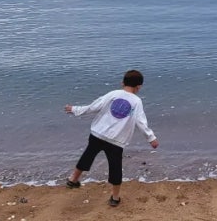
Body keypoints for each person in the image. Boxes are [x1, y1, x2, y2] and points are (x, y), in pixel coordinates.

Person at [64, 69, 158, 206]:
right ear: (139, 87)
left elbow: (94, 106)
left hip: (98, 133)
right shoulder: (136, 101)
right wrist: (151, 138)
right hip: (116, 140)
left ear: (122, 83)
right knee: (115, 167)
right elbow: (141, 122)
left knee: (87, 156)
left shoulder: (113, 94)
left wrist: (75, 109)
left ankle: (73, 179)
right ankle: (115, 197)